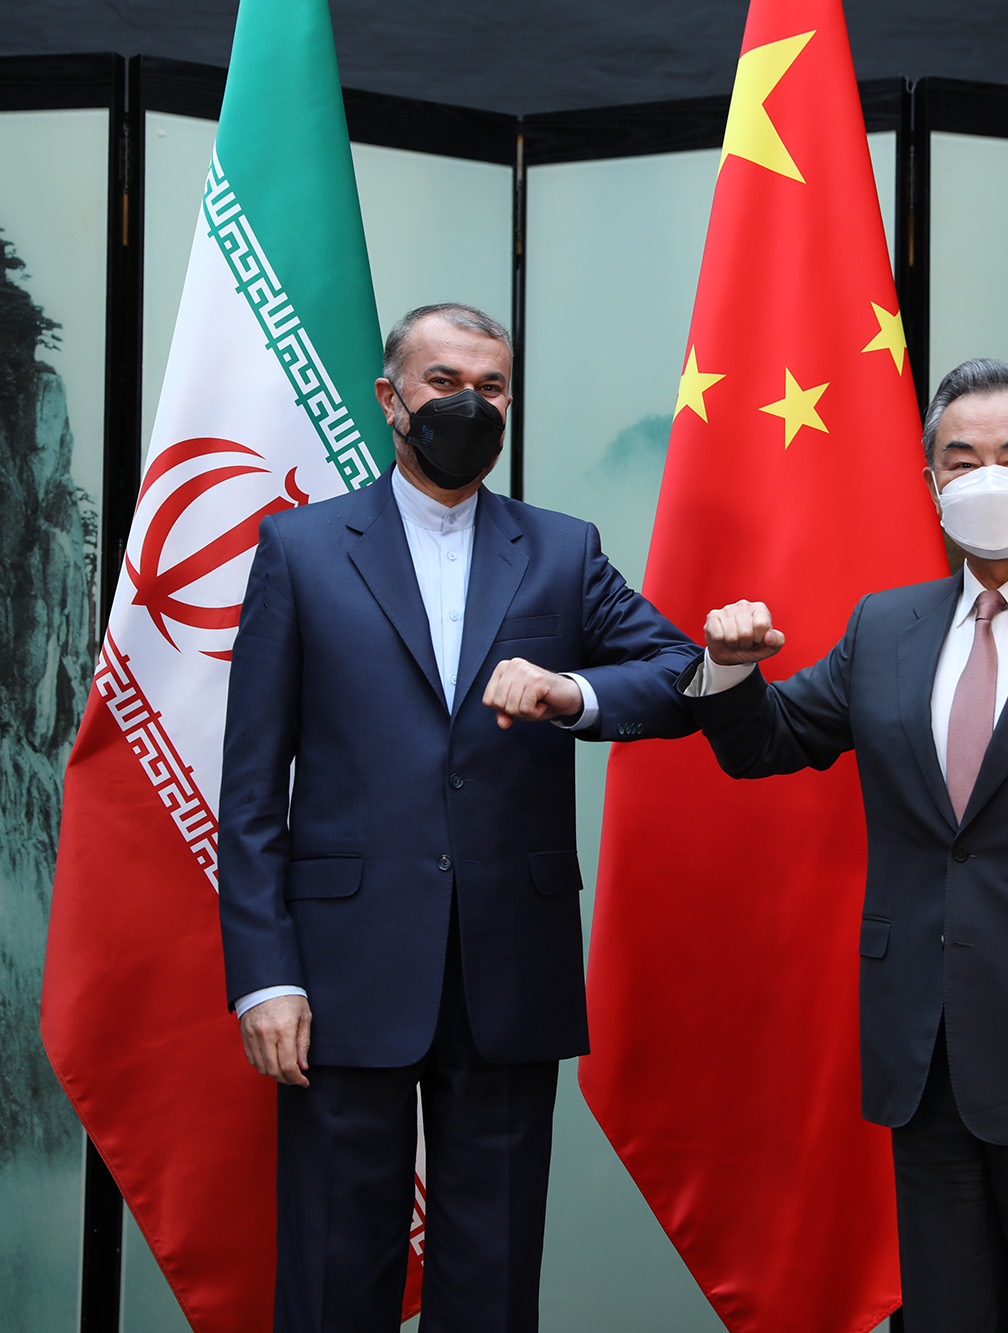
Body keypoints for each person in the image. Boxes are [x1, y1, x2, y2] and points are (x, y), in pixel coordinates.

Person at [684, 358, 1008, 1332]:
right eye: (960, 460)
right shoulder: (885, 627)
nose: (987, 477)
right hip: (921, 1061)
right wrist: (726, 667)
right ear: (930, 484)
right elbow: (767, 743)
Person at [218, 303, 700, 1333]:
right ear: (390, 399)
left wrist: (573, 692)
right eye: (444, 383)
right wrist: (265, 974)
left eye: (491, 387)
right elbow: (250, 790)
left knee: (492, 1280)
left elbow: (679, 672)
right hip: (340, 974)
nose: (469, 405)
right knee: (333, 1273)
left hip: (509, 970)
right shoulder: (300, 549)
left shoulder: (562, 550)